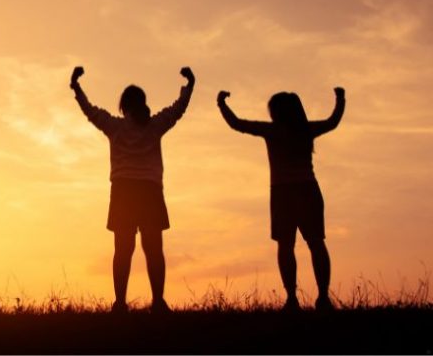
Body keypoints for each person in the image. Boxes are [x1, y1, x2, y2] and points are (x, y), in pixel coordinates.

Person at [70, 65, 195, 313]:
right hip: (150, 191)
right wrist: (189, 85)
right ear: (143, 103)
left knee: (123, 249)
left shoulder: (115, 127)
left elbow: (90, 111)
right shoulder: (155, 125)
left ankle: (120, 303)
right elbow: (178, 109)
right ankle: (158, 302)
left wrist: (76, 86)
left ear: (123, 106)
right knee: (153, 249)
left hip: (123, 191)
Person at [216, 88, 346, 312]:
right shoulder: (306, 130)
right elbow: (333, 121)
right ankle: (323, 297)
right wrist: (340, 99)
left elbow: (237, 124)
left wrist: (222, 104)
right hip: (308, 191)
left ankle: (292, 299)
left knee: (286, 246)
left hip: (282, 193)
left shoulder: (272, 130)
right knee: (316, 243)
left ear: (275, 112)